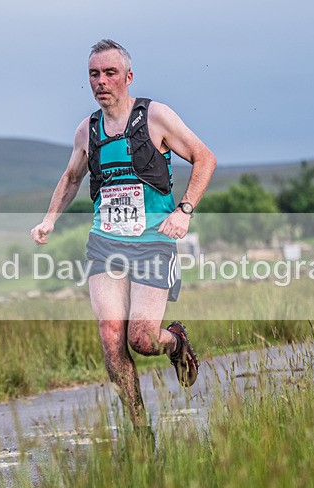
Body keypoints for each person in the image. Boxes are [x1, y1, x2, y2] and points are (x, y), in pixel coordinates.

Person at [31, 39, 216, 436]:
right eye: (94, 74)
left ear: (128, 77)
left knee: (142, 339)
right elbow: (71, 178)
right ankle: (139, 434)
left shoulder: (156, 117)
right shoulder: (88, 129)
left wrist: (184, 210)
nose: (101, 81)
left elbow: (205, 158)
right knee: (111, 336)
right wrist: (49, 220)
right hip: (105, 243)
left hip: (152, 241)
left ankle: (176, 343)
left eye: (110, 73)